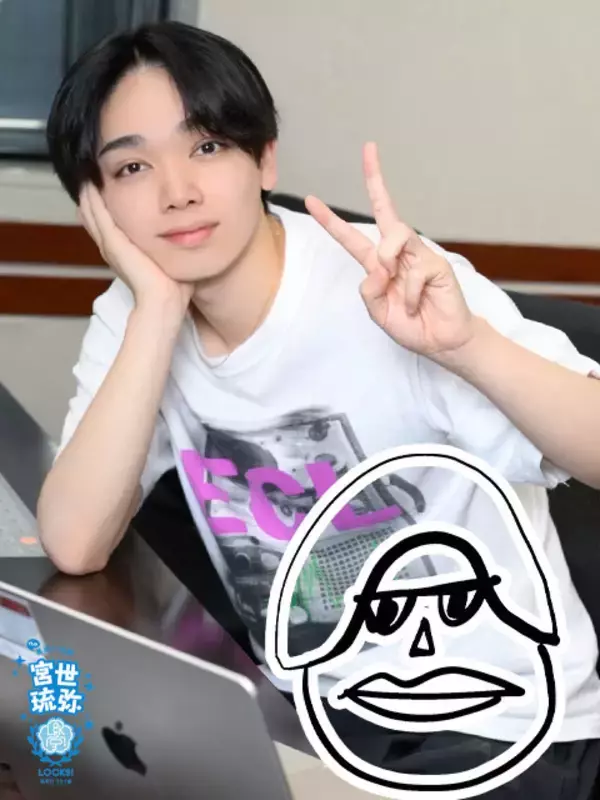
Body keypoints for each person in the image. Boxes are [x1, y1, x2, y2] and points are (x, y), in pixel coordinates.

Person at [37, 20, 600, 798]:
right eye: (132, 167)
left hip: (497, 725)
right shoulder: (134, 313)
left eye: (207, 146)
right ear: (93, 204)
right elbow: (74, 542)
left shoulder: (387, 282)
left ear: (264, 158)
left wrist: (467, 347)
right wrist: (159, 312)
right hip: (316, 722)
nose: (177, 191)